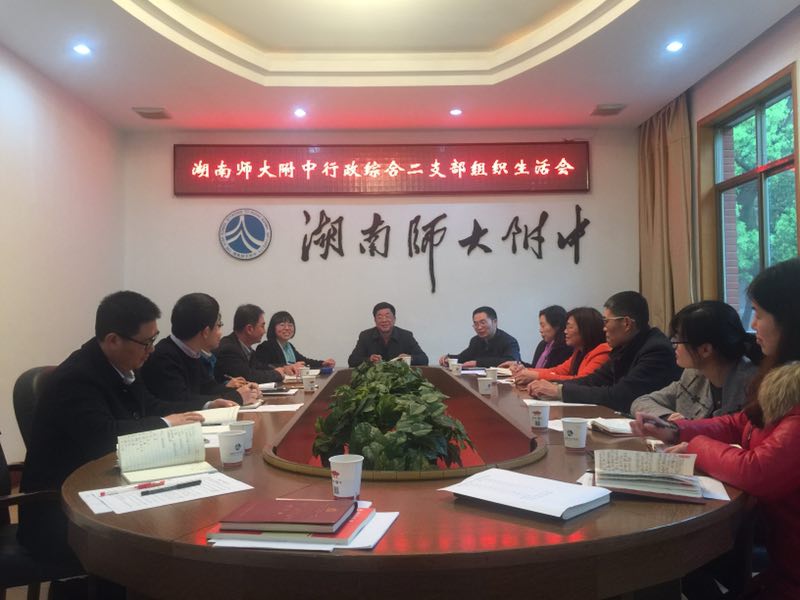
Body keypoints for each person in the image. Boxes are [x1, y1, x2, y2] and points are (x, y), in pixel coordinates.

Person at [18, 291, 236, 569]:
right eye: (146, 342)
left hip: (107, 487)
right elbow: (104, 437)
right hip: (64, 513)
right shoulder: (76, 378)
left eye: (154, 339)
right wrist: (167, 423)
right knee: (165, 547)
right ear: (113, 340)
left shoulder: (121, 366)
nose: (152, 350)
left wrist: (202, 408)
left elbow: (150, 405)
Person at [633, 258, 800, 600]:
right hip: (782, 566)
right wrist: (677, 431)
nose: (753, 324)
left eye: (759, 313)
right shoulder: (780, 381)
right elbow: (740, 423)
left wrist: (695, 448)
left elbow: (758, 470)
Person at [529, 291, 680, 412]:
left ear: (626, 323)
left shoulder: (656, 350)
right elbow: (594, 380)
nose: (604, 328)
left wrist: (559, 391)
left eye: (606, 321)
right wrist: (555, 387)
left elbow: (619, 395)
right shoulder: (624, 346)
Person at [631, 300, 760, 420]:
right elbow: (641, 402)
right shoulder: (694, 374)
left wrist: (689, 428)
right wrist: (668, 417)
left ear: (705, 350)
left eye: (678, 340)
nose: (673, 345)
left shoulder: (752, 385)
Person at [142, 293, 259, 405]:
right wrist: (237, 397)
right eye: (219, 325)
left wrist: (242, 390)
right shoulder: (163, 357)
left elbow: (208, 388)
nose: (221, 333)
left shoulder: (193, 352)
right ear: (206, 332)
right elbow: (180, 401)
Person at [508, 307, 611, 387]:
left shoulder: (602, 352)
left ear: (586, 329)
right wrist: (527, 371)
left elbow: (581, 381)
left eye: (570, 327)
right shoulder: (578, 352)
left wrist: (537, 376)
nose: (565, 331)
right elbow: (558, 370)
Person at [214, 304, 294, 384]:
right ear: (249, 329)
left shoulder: (247, 349)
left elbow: (260, 367)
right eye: (262, 326)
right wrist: (277, 374)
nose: (264, 331)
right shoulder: (229, 348)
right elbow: (248, 376)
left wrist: (283, 368)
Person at [348, 302, 428, 366]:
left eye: (387, 316)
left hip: (399, 378)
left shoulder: (406, 336)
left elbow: (424, 359)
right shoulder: (365, 336)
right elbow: (352, 360)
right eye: (380, 317)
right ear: (375, 320)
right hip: (374, 379)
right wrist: (369, 360)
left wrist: (409, 358)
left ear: (394, 319)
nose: (384, 320)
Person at [439, 306, 520, 368]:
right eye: (476, 324)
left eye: (483, 323)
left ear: (495, 322)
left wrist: (478, 363)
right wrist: (448, 358)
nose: (479, 327)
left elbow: (511, 361)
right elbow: (464, 357)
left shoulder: (509, 341)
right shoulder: (475, 340)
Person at [254, 310, 335, 370]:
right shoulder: (266, 347)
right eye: (282, 325)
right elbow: (263, 367)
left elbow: (304, 361)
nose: (287, 328)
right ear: (273, 328)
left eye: (290, 325)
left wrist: (322, 363)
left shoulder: (289, 346)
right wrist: (288, 367)